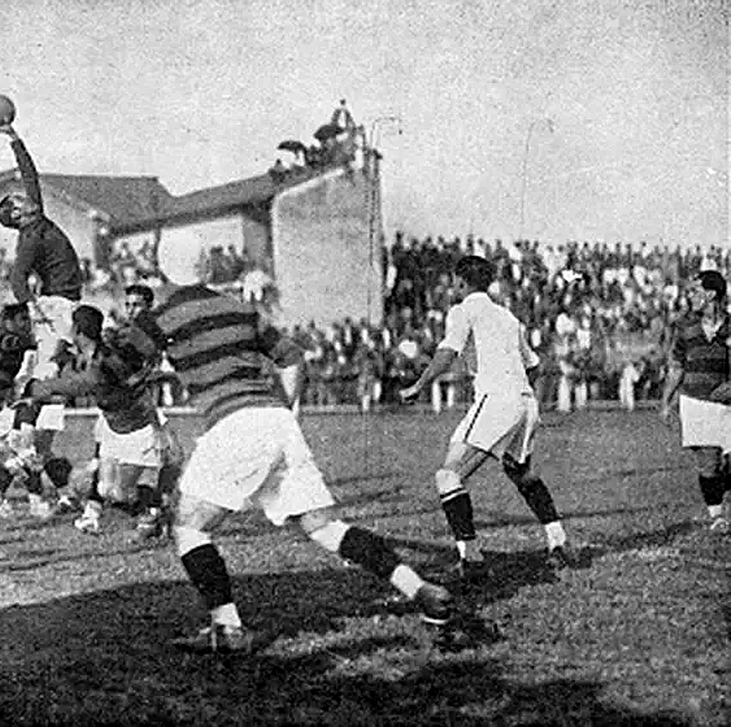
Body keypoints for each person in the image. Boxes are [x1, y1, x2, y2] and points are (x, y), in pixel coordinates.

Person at [134, 241, 459, 655]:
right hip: (276, 421)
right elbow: (291, 358)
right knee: (326, 528)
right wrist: (281, 412)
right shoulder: (240, 308)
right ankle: (420, 588)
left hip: (235, 422)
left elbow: (113, 371)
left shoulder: (158, 317)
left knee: (189, 526)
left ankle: (228, 627)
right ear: (208, 267)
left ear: (162, 271)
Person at [399, 255, 582, 584]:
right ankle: (559, 539)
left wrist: (419, 384)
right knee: (520, 473)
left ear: (460, 282)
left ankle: (472, 559)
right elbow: (534, 364)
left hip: (496, 400)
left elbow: (447, 352)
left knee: (448, 477)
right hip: (525, 402)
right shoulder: (508, 317)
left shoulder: (462, 310)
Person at [25, 305, 171, 540]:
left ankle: (157, 515)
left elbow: (77, 385)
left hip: (137, 429)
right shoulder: (88, 353)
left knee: (120, 494)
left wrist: (38, 388)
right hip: (115, 426)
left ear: (79, 330)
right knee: (104, 489)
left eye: (71, 324)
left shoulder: (102, 364)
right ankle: (151, 516)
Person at [0, 121, 84, 442]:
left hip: (63, 303)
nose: (24, 197)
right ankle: (21, 430)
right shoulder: (30, 237)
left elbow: (30, 175)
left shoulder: (38, 217)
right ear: (16, 216)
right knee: (49, 370)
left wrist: (15, 139)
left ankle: (27, 430)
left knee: (55, 370)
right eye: (18, 200)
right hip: (55, 304)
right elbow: (17, 278)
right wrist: (34, 310)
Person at [0, 302, 68, 520]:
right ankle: (7, 499)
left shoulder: (4, 344)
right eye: (22, 320)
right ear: (8, 323)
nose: (28, 324)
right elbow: (17, 343)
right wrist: (50, 334)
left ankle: (23, 501)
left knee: (25, 453)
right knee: (17, 458)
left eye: (28, 320)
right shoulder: (11, 340)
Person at [659, 270, 731, 532]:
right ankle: (717, 516)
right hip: (696, 402)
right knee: (708, 464)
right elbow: (677, 366)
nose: (691, 296)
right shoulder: (685, 326)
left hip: (727, 403)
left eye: (695, 290)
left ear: (711, 294)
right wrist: (666, 402)